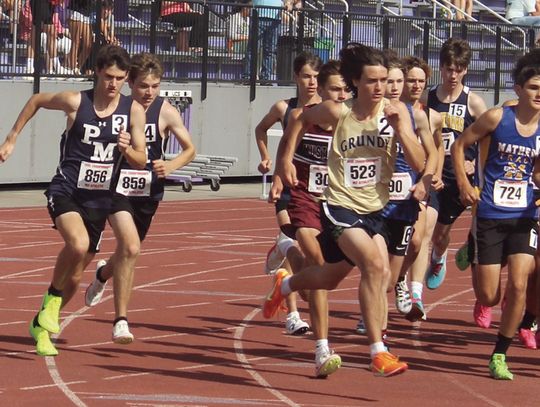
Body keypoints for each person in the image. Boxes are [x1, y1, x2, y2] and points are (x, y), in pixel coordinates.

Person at [266, 42, 427, 377]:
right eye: (372, 81)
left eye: (384, 80)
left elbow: (420, 162)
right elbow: (298, 119)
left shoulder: (397, 113)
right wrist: (284, 160)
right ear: (356, 82)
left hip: (377, 210)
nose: (380, 87)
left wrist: (401, 131)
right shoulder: (338, 112)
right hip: (340, 205)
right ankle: (378, 351)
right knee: (374, 264)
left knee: (330, 277)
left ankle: (285, 286)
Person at [0, 44, 147, 356]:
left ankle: (41, 325)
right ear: (97, 72)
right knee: (77, 245)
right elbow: (37, 100)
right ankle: (51, 301)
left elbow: (140, 160)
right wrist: (12, 137)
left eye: (120, 78)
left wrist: (126, 149)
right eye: (108, 76)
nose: (113, 83)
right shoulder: (75, 101)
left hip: (100, 201)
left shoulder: (132, 111)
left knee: (77, 275)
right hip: (66, 190)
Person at [84, 52, 196, 343]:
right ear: (130, 83)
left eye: (155, 86)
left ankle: (103, 274)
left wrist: (170, 165)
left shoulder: (165, 111)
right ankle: (121, 320)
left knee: (127, 253)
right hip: (117, 188)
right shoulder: (119, 107)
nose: (149, 92)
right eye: (143, 86)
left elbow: (189, 149)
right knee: (131, 248)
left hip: (147, 192)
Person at [452, 48, 540, 380]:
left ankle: (500, 354)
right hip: (490, 211)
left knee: (520, 283)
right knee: (489, 294)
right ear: (518, 88)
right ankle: (474, 248)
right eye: (533, 87)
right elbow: (460, 145)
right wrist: (464, 183)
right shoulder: (496, 118)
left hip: (524, 215)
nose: (538, 95)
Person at [271, 59, 350, 377]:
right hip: (305, 200)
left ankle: (285, 254)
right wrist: (282, 170)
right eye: (335, 89)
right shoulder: (303, 117)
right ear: (322, 89)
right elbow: (287, 143)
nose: (342, 96)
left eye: (346, 90)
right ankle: (322, 349)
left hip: (338, 204)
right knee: (319, 273)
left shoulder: (352, 121)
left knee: (317, 281)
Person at [371, 52, 438, 336]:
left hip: (406, 196)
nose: (396, 87)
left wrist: (425, 180)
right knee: (376, 267)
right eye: (392, 81)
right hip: (374, 199)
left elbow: (433, 154)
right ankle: (376, 325)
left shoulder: (418, 115)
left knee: (415, 244)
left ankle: (397, 284)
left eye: (400, 81)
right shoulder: (370, 112)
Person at [420, 38, 487, 321]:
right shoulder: (428, 98)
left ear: (466, 70)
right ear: (441, 68)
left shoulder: (473, 101)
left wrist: (476, 162)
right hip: (436, 175)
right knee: (432, 232)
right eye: (448, 68)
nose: (453, 75)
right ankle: (428, 272)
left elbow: (490, 137)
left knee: (457, 232)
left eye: (458, 69)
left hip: (464, 178)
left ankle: (449, 254)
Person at [256, 51, 322, 335]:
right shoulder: (285, 108)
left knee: (311, 258)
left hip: (320, 189)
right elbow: (261, 130)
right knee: (292, 234)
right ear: (296, 77)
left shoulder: (328, 109)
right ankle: (294, 316)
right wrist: (266, 158)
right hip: (289, 184)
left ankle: (282, 247)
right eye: (306, 76)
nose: (312, 82)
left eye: (317, 77)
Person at [396, 56, 444, 323]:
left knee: (417, 240)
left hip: (418, 185)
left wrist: (432, 176)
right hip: (389, 186)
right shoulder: (389, 110)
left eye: (421, 81)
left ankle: (410, 289)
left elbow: (437, 148)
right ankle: (379, 297)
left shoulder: (430, 116)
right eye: (411, 80)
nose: (415, 85)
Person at [246, 0, 282, 82]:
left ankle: (265, 78)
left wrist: (289, 2)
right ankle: (248, 76)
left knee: (270, 50)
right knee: (253, 48)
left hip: (275, 18)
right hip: (258, 15)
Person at [66, 0, 93, 75]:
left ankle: (77, 68)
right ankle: (72, 69)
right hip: (75, 11)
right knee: (75, 41)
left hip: (86, 13)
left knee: (88, 45)